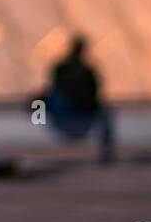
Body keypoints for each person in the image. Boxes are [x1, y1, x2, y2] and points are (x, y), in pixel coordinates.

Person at [46, 35, 115, 163]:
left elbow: (54, 86)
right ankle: (106, 150)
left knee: (38, 103)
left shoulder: (63, 67)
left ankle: (36, 127)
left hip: (68, 107)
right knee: (39, 102)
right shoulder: (87, 70)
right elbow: (96, 91)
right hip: (78, 107)